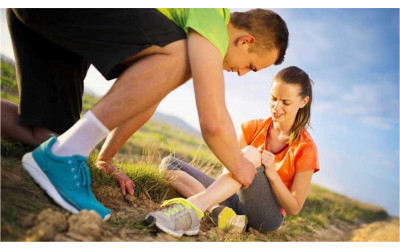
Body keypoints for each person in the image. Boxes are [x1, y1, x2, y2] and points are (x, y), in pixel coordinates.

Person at [4, 8, 289, 220]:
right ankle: (65, 154)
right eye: (249, 66)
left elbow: (147, 94)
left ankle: (62, 150)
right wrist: (239, 166)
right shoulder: (211, 17)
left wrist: (105, 159)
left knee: (47, 135)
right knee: (180, 57)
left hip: (39, 16)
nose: (240, 74)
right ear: (245, 41)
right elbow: (213, 123)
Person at [146, 66, 319, 237]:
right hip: (234, 199)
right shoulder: (253, 127)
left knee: (251, 153)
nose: (276, 107)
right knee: (169, 164)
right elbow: (227, 168)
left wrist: (272, 175)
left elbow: (294, 208)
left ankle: (193, 208)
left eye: (286, 102)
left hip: (266, 218)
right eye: (273, 98)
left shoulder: (306, 148)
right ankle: (218, 212)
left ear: (303, 102)